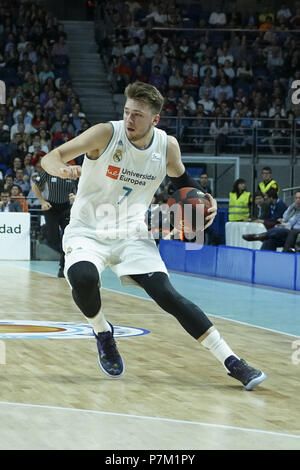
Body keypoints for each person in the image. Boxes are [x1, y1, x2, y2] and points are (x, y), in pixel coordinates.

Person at [41, 81, 266, 390]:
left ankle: (233, 361)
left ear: (155, 120)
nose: (130, 120)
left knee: (167, 295)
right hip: (88, 229)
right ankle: (103, 333)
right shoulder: (106, 134)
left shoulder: (167, 146)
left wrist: (204, 199)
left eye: (138, 115)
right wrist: (61, 169)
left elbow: (183, 183)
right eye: (127, 112)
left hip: (131, 232)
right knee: (82, 278)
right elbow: (53, 156)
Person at [32, 169, 77, 278]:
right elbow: (35, 186)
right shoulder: (49, 170)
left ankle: (63, 267)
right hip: (50, 207)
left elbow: (80, 189)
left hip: (66, 208)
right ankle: (46, 235)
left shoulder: (72, 170)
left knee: (67, 239)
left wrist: (76, 197)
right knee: (53, 239)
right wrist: (42, 201)